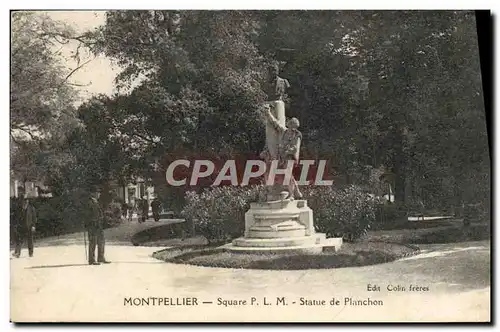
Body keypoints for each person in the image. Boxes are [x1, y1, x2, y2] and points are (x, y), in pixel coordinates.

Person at [84, 191, 110, 265]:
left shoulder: (97, 202)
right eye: (97, 192)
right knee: (93, 242)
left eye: (99, 192)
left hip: (99, 225)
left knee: (101, 241)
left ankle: (101, 257)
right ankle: (92, 260)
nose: (99, 194)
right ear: (93, 193)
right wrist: (88, 223)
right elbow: (86, 214)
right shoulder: (89, 202)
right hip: (92, 225)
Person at [12, 192, 37, 258]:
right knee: (19, 240)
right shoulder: (19, 208)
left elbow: (34, 218)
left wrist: (33, 226)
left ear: (28, 200)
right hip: (21, 226)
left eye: (26, 200)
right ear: (22, 200)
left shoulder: (32, 208)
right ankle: (17, 253)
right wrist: (16, 225)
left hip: (29, 226)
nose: (25, 201)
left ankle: (30, 253)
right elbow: (16, 217)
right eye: (24, 200)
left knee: (30, 240)